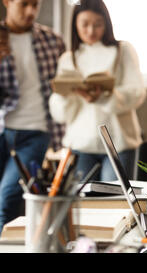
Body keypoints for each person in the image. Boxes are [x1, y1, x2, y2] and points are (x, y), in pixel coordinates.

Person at [49, 0, 146, 181]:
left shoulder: (122, 50)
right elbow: (60, 114)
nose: (91, 31)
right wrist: (64, 95)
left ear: (106, 24)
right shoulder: (68, 59)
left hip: (118, 143)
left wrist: (103, 97)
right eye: (85, 24)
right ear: (75, 25)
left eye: (98, 24)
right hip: (80, 144)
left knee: (115, 202)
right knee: (84, 204)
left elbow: (137, 92)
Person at [0, 0, 65, 234]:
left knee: (7, 198)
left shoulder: (53, 41)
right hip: (3, 129)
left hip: (36, 132)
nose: (30, 11)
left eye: (35, 4)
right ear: (7, 2)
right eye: (23, 4)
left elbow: (66, 89)